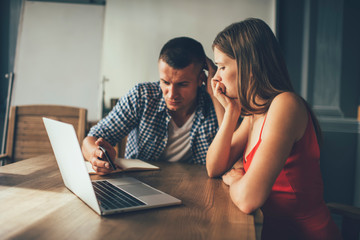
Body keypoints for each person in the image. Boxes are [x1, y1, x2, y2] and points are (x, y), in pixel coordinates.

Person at [206, 18, 342, 240]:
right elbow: (214, 167)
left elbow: (249, 199)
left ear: (248, 65)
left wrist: (236, 180)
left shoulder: (285, 105)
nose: (216, 78)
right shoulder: (255, 113)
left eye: (222, 67)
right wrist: (231, 112)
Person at [82, 37, 218, 175]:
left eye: (182, 84)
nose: (171, 94)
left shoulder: (214, 104)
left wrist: (215, 96)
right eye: (165, 82)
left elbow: (230, 153)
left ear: (201, 79)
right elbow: (92, 138)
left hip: (195, 185)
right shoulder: (143, 96)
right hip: (140, 183)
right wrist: (96, 155)